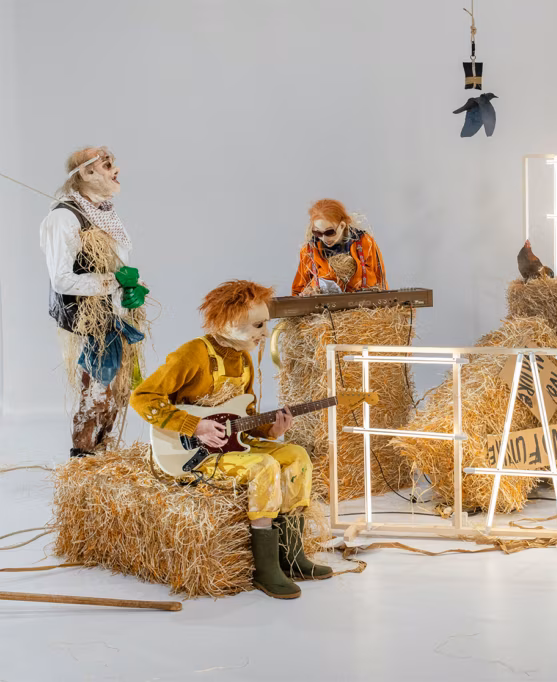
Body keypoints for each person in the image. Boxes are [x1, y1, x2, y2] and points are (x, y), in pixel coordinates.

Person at [130, 280, 331, 598]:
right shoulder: (192, 354)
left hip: (231, 445)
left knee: (296, 455)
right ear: (226, 322)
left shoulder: (244, 359)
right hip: (196, 454)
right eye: (258, 325)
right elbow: (142, 398)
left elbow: (243, 418)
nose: (265, 333)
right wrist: (194, 426)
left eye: (265, 324)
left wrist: (271, 431)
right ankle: (266, 570)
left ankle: (292, 557)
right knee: (263, 466)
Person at [40, 146, 148, 457]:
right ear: (87, 173)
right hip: (89, 321)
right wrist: (115, 281)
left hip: (115, 316)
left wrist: (134, 290)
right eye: (107, 165)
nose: (116, 170)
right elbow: (61, 279)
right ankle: (83, 457)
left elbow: (116, 266)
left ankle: (101, 453)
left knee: (118, 393)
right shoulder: (63, 217)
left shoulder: (103, 212)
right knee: (97, 394)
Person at [291, 198, 387, 296]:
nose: (324, 238)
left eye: (329, 232)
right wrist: (307, 292)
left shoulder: (365, 243)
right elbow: (298, 290)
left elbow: (381, 281)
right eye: (318, 233)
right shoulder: (309, 251)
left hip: (361, 303)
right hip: (325, 305)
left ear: (342, 225)